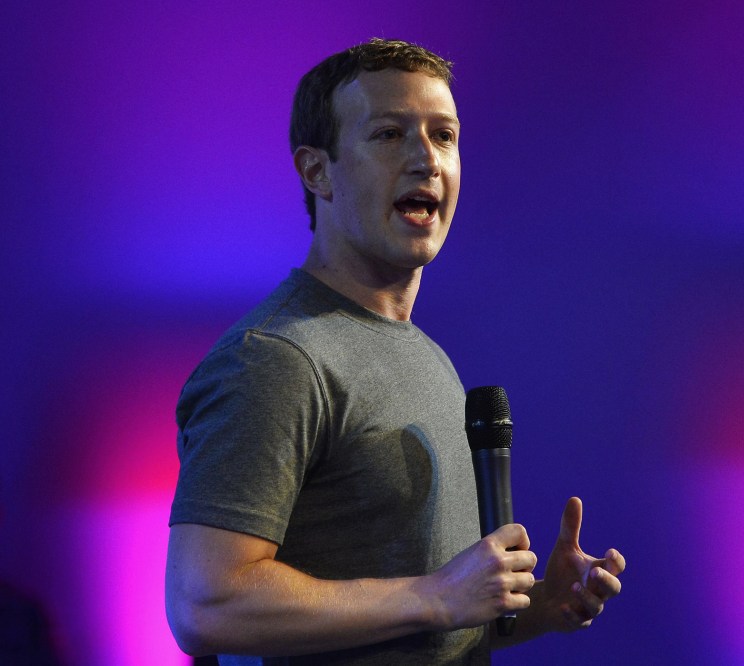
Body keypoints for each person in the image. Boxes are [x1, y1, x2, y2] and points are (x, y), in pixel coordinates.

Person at [166, 38, 625, 665]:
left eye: (444, 136)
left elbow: (415, 615)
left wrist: (534, 608)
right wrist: (438, 594)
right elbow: (207, 604)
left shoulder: (428, 357)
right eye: (389, 135)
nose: (426, 159)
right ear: (316, 170)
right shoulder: (276, 358)